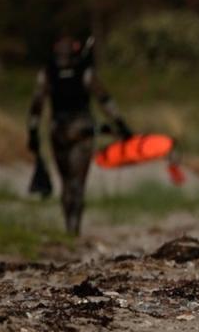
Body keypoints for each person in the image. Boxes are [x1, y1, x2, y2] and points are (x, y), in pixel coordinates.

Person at [26, 32, 133, 235]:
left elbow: (36, 105)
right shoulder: (84, 72)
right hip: (81, 131)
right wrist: (121, 125)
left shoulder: (48, 72)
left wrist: (32, 132)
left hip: (57, 131)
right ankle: (73, 228)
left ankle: (70, 227)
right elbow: (105, 100)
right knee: (76, 183)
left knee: (66, 183)